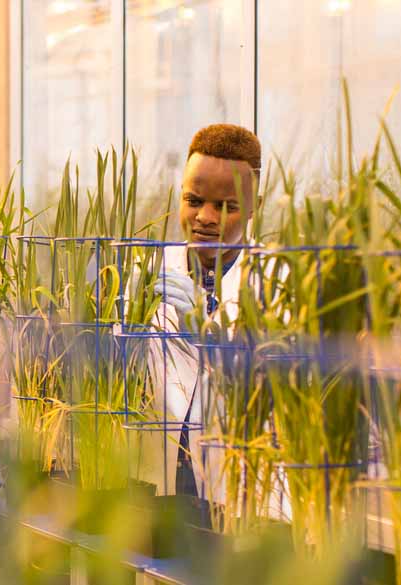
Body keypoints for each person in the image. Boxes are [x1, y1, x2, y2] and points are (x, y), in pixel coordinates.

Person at [136, 123, 262, 499]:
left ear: (255, 206)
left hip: (240, 490)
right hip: (161, 482)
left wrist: (207, 332)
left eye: (226, 206)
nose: (205, 217)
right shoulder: (148, 273)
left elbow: (273, 387)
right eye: (194, 200)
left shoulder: (273, 281)